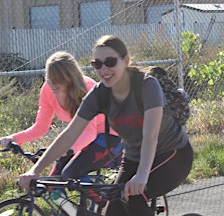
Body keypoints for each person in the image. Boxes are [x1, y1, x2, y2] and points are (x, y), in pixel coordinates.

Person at [17, 35, 193, 215]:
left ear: (125, 61)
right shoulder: (99, 94)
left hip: (172, 154)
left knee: (135, 196)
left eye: (110, 62)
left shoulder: (146, 85)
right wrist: (35, 170)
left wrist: (141, 176)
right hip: (133, 157)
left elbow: (150, 135)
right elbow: (70, 134)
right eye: (97, 64)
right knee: (113, 210)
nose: (104, 69)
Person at [1, 51, 122, 179]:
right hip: (80, 138)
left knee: (70, 174)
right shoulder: (48, 90)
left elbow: (89, 133)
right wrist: (14, 138)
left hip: (110, 137)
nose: (53, 84)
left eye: (58, 80)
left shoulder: (89, 88)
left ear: (70, 78)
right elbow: (41, 127)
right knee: (53, 185)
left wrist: (66, 150)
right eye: (49, 79)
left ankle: (106, 200)